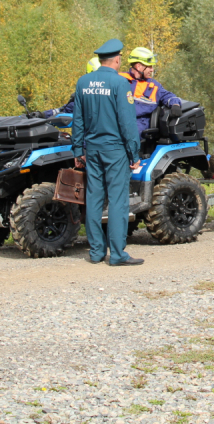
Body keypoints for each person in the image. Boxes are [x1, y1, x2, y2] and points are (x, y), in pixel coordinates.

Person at [72, 39, 144, 266]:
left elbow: (78, 120)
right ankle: (118, 254)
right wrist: (134, 153)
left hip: (92, 150)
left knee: (93, 199)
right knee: (117, 201)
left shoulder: (83, 82)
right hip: (115, 151)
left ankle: (95, 252)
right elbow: (127, 122)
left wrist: (77, 149)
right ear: (117, 59)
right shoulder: (120, 83)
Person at [120, 47, 183, 135]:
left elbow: (168, 96)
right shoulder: (119, 80)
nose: (152, 70)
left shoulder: (154, 86)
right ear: (139, 66)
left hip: (139, 134)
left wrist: (175, 104)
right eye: (149, 66)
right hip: (117, 128)